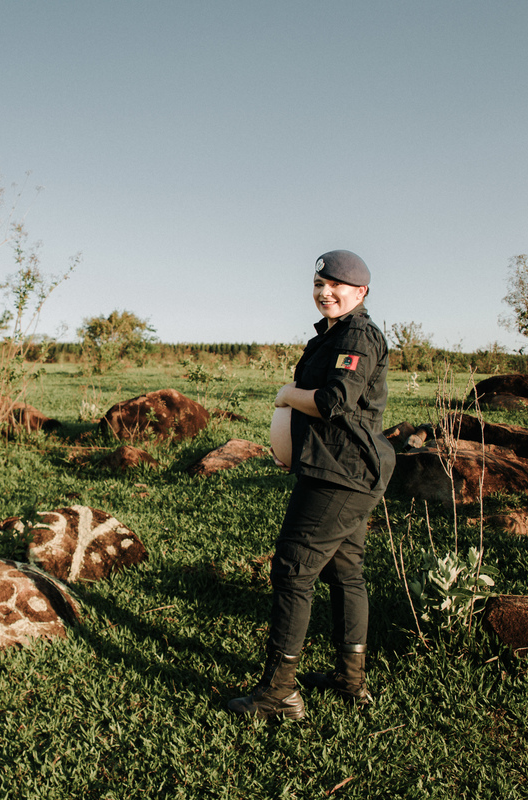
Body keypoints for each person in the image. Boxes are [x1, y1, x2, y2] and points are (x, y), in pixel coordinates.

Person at [228, 249, 395, 721]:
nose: (325, 292)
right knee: (345, 571)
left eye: (336, 285)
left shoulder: (357, 335)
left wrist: (286, 395)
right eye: (320, 284)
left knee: (292, 570)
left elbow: (334, 401)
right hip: (339, 467)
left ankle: (279, 693)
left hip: (340, 475)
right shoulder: (332, 335)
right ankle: (350, 679)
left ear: (361, 292)